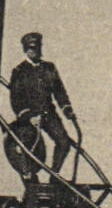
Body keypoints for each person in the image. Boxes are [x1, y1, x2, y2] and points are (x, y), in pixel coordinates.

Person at [7, 31, 78, 180]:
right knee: (27, 146)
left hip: (48, 114)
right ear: (25, 49)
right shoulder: (19, 71)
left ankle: (54, 175)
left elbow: (59, 92)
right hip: (28, 119)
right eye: (30, 48)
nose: (33, 51)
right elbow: (16, 100)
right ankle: (31, 179)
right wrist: (28, 116)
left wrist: (67, 109)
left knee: (64, 142)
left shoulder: (49, 68)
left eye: (36, 47)